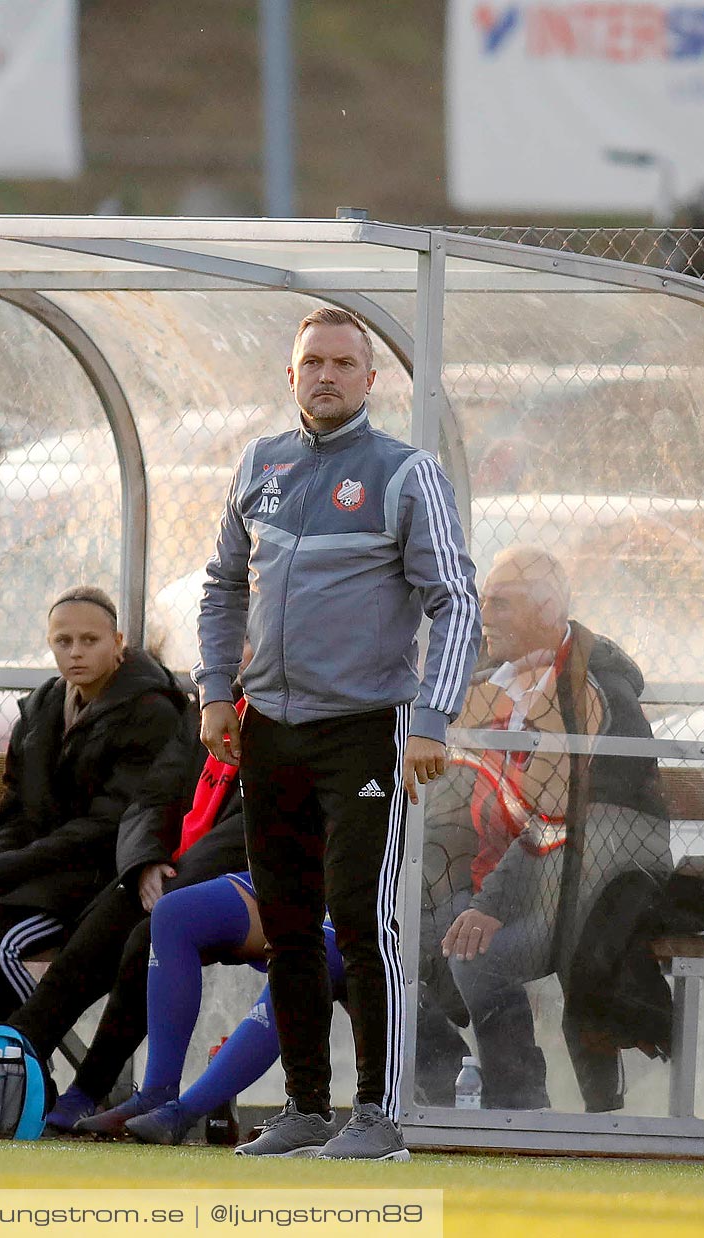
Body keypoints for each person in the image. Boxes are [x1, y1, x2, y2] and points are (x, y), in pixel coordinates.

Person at [196, 306, 480, 1161]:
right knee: (286, 926)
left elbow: (455, 600)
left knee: (361, 918)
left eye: (342, 363)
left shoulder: (404, 472)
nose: (325, 375)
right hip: (269, 729)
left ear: (369, 378)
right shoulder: (261, 462)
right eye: (311, 362)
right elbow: (221, 584)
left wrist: (430, 717)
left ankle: (379, 1118)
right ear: (291, 377)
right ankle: (305, 1111)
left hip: (365, 732)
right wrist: (216, 694)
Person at [423, 546, 669, 1112]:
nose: (487, 617)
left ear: (550, 608)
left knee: (476, 952)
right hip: (502, 875)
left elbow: (565, 828)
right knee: (386, 938)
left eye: (502, 604)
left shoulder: (595, 691)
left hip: (585, 883)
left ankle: (519, 1104)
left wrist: (487, 903)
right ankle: (438, 1096)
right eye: (484, 602)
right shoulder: (488, 683)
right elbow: (454, 802)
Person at [0, 586, 199, 1022]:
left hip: (98, 880)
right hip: (39, 874)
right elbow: (17, 810)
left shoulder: (151, 711)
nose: (75, 653)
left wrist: (7, 871)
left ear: (118, 643)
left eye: (90, 640)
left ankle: (27, 1066)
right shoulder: (42, 708)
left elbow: (107, 826)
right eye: (62, 641)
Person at [37, 710, 252, 1134]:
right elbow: (153, 798)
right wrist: (145, 862)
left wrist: (177, 880)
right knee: (101, 928)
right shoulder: (207, 712)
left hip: (253, 881)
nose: (235, 651)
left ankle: (96, 1091)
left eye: (248, 640)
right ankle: (14, 1059)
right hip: (175, 870)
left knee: (151, 933)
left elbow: (249, 831)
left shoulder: (284, 713)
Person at [94, 872, 346, 1146]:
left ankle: (182, 1114)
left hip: (361, 885)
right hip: (301, 865)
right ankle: (156, 1092)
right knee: (173, 913)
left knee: (304, 960)